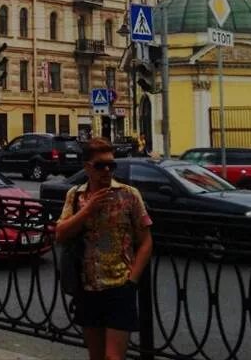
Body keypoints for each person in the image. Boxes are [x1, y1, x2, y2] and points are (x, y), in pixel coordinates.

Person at [55, 138, 153, 360]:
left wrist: (132, 281)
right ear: (87, 167)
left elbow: (146, 241)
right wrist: (88, 209)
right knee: (96, 356)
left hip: (120, 287)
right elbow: (60, 234)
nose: (107, 170)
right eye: (100, 165)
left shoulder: (129, 195)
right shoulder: (75, 196)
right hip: (88, 287)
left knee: (113, 358)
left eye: (111, 165)